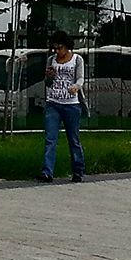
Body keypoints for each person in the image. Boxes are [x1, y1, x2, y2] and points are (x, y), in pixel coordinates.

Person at [37, 30, 85, 182]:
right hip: (54, 103)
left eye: (60, 48)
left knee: (74, 139)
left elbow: (80, 78)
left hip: (71, 104)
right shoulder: (52, 60)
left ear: (66, 46)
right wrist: (49, 77)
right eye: (55, 48)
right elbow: (47, 82)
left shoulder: (77, 59)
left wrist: (76, 87)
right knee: (50, 138)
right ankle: (47, 171)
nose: (57, 51)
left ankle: (78, 170)